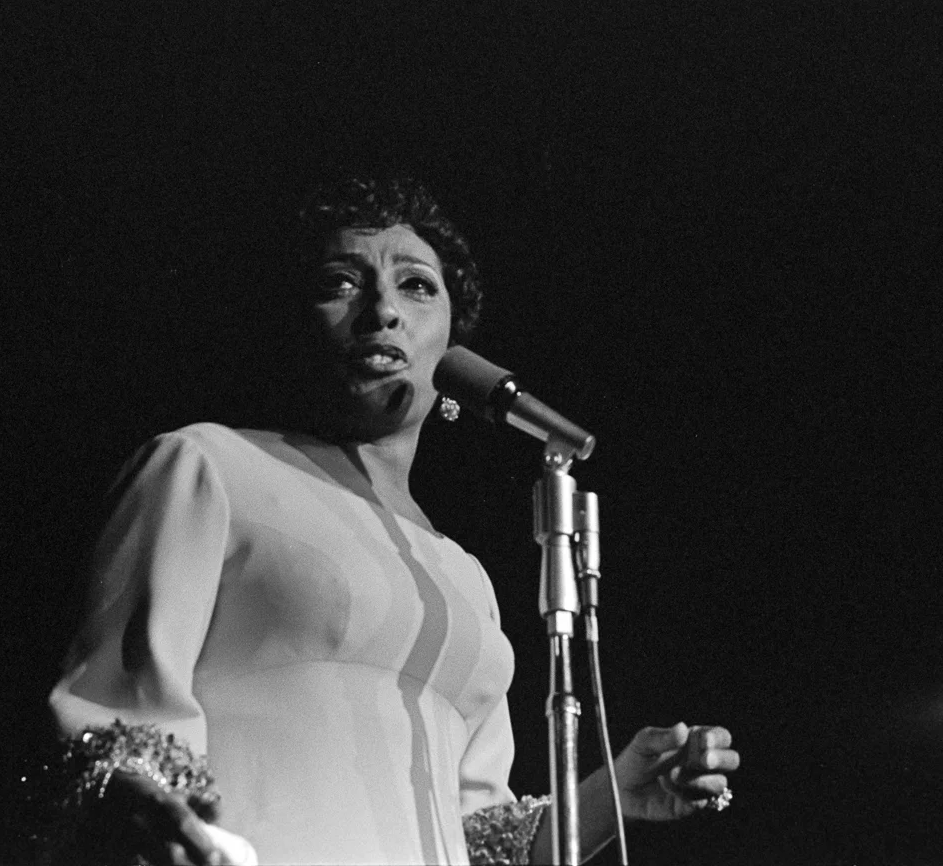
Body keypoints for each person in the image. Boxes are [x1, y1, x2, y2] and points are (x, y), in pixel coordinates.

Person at [41, 177, 739, 865]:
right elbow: (115, 715)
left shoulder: (460, 576)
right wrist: (150, 813)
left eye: (416, 285)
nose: (381, 308)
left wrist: (607, 798)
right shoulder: (207, 467)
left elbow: (479, 838)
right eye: (342, 282)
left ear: (452, 350)